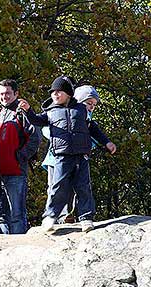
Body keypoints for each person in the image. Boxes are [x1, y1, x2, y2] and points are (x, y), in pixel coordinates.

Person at [22, 76, 116, 232]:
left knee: (83, 186)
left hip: (81, 155)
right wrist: (27, 110)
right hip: (61, 156)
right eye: (53, 92)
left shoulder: (80, 109)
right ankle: (50, 217)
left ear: (69, 93)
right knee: (57, 186)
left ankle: (86, 218)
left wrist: (106, 142)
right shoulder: (50, 111)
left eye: (59, 92)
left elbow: (93, 128)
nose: (55, 95)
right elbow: (35, 120)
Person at [0, 79, 40, 234]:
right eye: (1, 93)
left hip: (16, 171)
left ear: (16, 93)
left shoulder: (22, 113)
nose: (4, 97)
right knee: (0, 212)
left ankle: (19, 248)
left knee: (17, 213)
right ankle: (4, 247)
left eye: (8, 93)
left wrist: (20, 156)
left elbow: (35, 138)